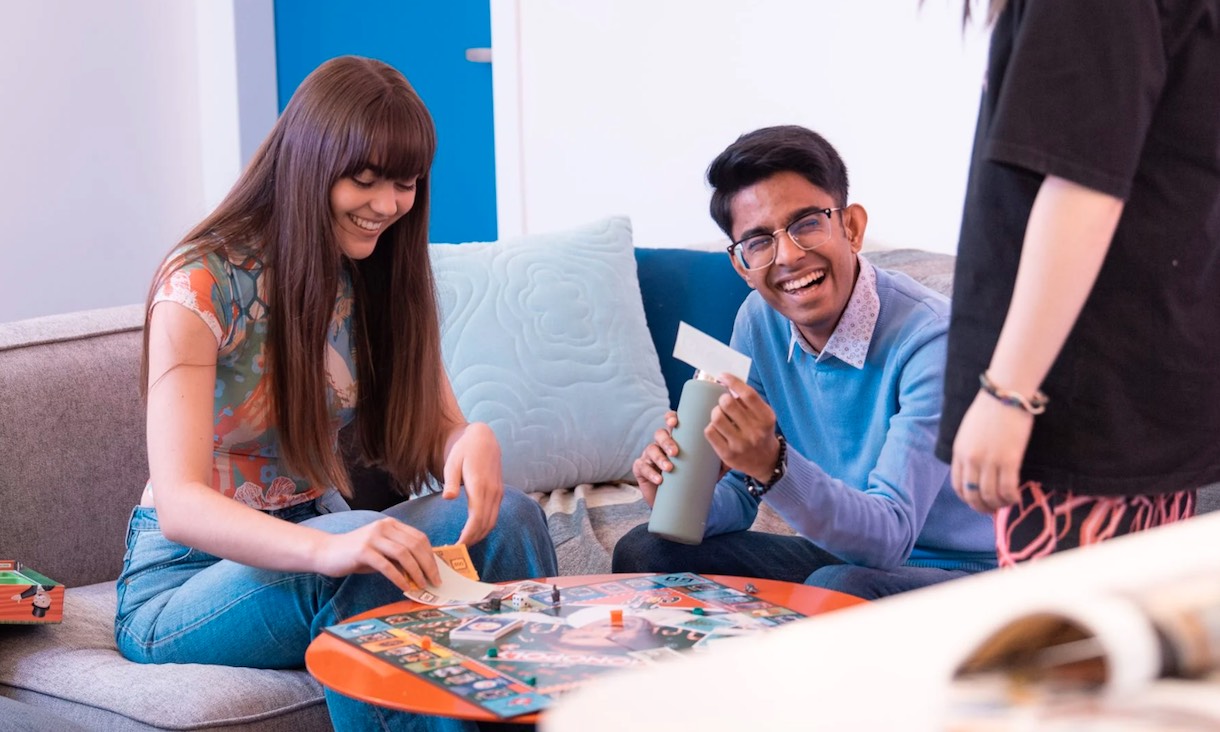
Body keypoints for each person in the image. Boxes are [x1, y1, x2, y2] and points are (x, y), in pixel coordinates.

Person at [113, 56, 558, 732]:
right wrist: (329, 546)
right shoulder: (199, 282)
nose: (387, 205)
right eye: (365, 178)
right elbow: (179, 504)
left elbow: (442, 429)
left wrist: (472, 438)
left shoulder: (373, 271)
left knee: (511, 520)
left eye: (404, 184)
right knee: (363, 551)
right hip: (185, 583)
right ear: (309, 164)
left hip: (319, 531)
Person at [612, 125, 996, 600]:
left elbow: (891, 537)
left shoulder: (932, 340)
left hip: (959, 572)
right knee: (647, 551)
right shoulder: (758, 321)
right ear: (741, 266)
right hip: (845, 554)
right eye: (758, 242)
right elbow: (744, 492)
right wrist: (682, 498)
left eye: (807, 223)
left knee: (834, 589)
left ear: (851, 227)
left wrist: (773, 464)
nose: (789, 257)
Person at [936, 0, 1220, 566]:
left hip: (1078, 402)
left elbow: (1085, 188)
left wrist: (1009, 393)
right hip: (1124, 393)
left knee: (1063, 646)